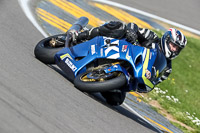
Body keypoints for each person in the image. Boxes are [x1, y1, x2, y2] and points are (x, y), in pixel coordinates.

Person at [58, 21, 187, 92]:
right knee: (118, 27)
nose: (174, 49)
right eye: (173, 45)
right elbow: (133, 26)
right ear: (166, 39)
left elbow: (155, 82)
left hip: (130, 73)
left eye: (177, 48)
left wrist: (148, 82)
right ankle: (81, 36)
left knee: (116, 100)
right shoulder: (152, 37)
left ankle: (101, 77)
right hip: (119, 48)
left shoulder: (167, 68)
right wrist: (132, 33)